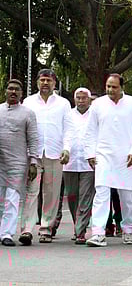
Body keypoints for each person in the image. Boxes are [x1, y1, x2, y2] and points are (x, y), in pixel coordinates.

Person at [85, 73, 132, 247]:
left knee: (127, 197)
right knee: (101, 193)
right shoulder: (97, 104)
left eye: (114, 87)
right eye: (108, 86)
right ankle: (98, 233)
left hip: (127, 157)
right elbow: (91, 131)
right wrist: (90, 153)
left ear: (122, 87)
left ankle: (127, 230)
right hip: (104, 155)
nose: (110, 90)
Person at [19, 69, 73, 245]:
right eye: (42, 80)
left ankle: (46, 228)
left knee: (51, 193)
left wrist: (67, 149)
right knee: (31, 192)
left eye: (48, 80)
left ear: (54, 83)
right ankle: (27, 229)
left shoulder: (63, 104)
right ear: (37, 82)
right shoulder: (28, 102)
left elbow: (68, 129)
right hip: (33, 154)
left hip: (55, 152)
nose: (45, 83)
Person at [0, 79, 39, 246]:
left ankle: (7, 234)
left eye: (17, 89)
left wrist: (33, 162)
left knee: (12, 199)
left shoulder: (27, 113)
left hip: (18, 163)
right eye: (10, 89)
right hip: (0, 162)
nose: (13, 92)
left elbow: (33, 139)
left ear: (22, 94)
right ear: (5, 91)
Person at [62, 87, 95, 245]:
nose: (81, 101)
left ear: (89, 99)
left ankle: (80, 231)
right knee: (73, 195)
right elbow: (65, 134)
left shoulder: (95, 114)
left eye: (84, 98)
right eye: (78, 98)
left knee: (86, 197)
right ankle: (78, 224)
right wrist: (65, 151)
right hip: (70, 161)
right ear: (74, 99)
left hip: (89, 162)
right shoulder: (68, 115)